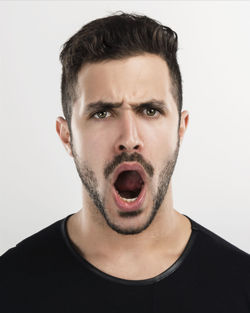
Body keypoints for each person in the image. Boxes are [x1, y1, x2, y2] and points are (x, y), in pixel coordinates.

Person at [0, 11, 249, 313]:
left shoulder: (240, 285)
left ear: (180, 129)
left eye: (150, 110)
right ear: (67, 136)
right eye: (102, 113)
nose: (129, 138)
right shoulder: (10, 284)